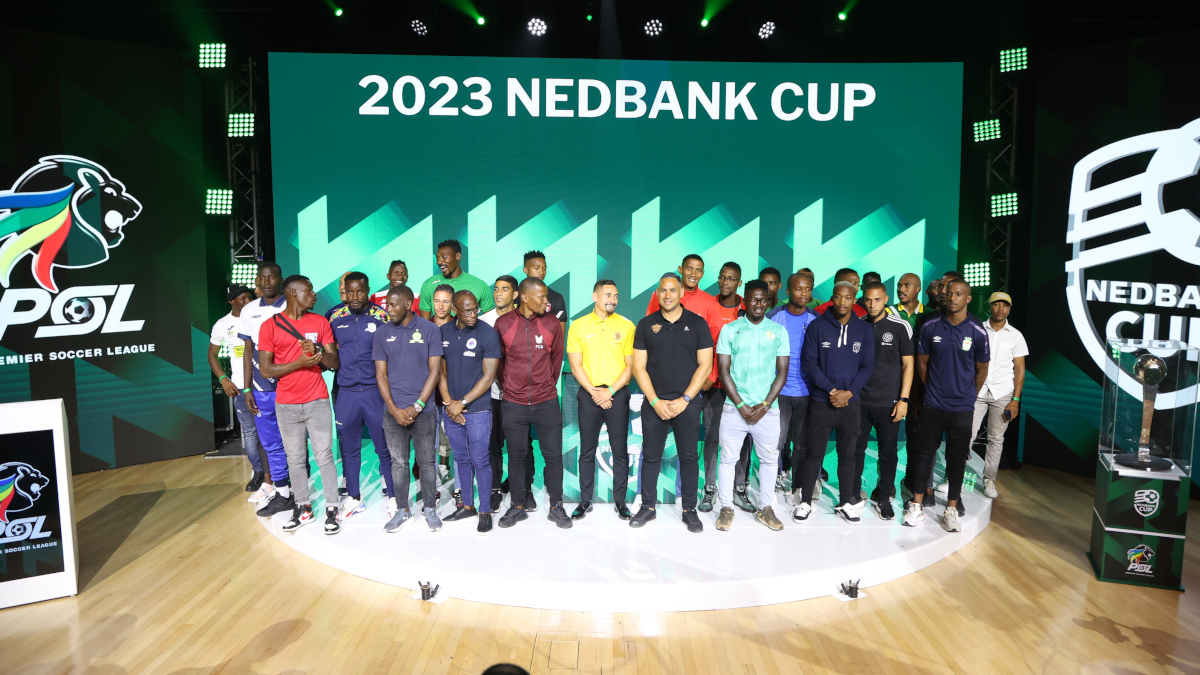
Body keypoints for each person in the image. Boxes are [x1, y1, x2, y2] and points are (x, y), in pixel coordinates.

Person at [257, 275, 342, 533]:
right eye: (309, 290)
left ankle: (332, 509)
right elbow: (265, 369)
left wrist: (317, 351)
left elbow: (334, 362)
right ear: (293, 293)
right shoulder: (270, 326)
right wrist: (299, 363)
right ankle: (303, 508)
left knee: (324, 456)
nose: (314, 294)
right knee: (294, 459)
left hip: (317, 401)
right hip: (286, 405)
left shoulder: (320, 322)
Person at [631, 272, 713, 533]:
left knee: (688, 457)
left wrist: (685, 399)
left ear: (681, 293)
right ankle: (648, 506)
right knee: (650, 455)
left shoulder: (697, 323)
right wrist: (655, 401)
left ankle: (689, 509)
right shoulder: (646, 324)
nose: (668, 295)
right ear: (657, 294)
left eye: (672, 290)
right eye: (663, 291)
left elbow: (705, 365)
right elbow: (638, 368)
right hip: (655, 403)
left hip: (687, 403)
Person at [905, 279, 990, 532]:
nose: (952, 298)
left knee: (957, 458)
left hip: (962, 407)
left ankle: (951, 507)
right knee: (923, 455)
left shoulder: (977, 331)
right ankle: (917, 505)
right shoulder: (930, 325)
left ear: (968, 299)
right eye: (949, 293)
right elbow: (922, 363)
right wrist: (931, 389)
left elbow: (981, 370)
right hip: (933, 403)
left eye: (959, 294)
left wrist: (968, 396)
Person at [494, 277, 570, 529]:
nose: (546, 302)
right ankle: (517, 506)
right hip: (513, 403)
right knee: (516, 456)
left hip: (546, 401)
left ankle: (557, 506)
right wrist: (510, 388)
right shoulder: (503, 324)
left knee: (553, 456)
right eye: (541, 297)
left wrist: (544, 386)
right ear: (524, 297)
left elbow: (556, 361)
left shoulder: (552, 324)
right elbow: (499, 364)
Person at [796, 281, 874, 524]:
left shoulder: (864, 329)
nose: (842, 302)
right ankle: (805, 503)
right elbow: (809, 363)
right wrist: (831, 390)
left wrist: (848, 393)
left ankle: (845, 502)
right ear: (832, 298)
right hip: (822, 402)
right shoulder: (817, 326)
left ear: (854, 300)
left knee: (848, 455)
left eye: (848, 298)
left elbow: (867, 366)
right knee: (814, 454)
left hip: (850, 405)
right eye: (838, 297)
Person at [714, 280, 789, 532]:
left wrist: (765, 405)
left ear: (768, 301)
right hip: (734, 409)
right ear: (744, 300)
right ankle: (726, 507)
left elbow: (782, 372)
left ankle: (766, 508)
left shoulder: (778, 331)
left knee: (769, 460)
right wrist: (741, 405)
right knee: (727, 460)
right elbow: (723, 370)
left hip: (768, 411)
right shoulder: (730, 330)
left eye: (763, 299)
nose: (758, 304)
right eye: (753, 299)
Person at [375, 284, 445, 534]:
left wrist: (418, 405)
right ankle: (402, 510)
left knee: (427, 462)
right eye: (386, 305)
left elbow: (435, 371)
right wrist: (394, 409)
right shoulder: (381, 333)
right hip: (392, 412)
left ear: (408, 304)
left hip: (424, 411)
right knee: (398, 463)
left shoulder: (430, 329)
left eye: (393, 305)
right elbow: (381, 375)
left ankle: (430, 509)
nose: (388, 309)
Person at [566, 279, 635, 520]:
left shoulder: (627, 326)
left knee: (620, 450)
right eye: (607, 295)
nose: (612, 300)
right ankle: (585, 500)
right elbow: (575, 365)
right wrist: (596, 392)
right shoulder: (578, 326)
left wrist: (610, 391)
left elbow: (630, 366)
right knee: (587, 450)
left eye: (615, 296)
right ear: (594, 297)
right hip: (589, 394)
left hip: (617, 394)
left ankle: (620, 501)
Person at [328, 272, 394, 520]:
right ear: (344, 291)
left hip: (375, 392)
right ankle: (354, 498)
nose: (355, 297)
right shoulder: (334, 317)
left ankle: (394, 497)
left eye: (360, 291)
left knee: (384, 447)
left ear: (368, 291)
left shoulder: (381, 316)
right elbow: (330, 353)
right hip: (346, 392)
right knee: (349, 449)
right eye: (350, 291)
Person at [439, 290, 502, 535]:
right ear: (454, 310)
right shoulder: (443, 332)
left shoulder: (487, 333)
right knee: (461, 459)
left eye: (475, 308)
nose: (473, 314)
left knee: (480, 460)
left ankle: (484, 511)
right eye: (467, 310)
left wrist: (462, 402)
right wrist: (449, 403)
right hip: (451, 410)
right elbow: (440, 372)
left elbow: (489, 376)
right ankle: (467, 506)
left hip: (478, 410)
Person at [856, 282, 914, 521]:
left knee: (888, 453)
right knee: (855, 450)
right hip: (860, 402)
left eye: (877, 300)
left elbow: (908, 365)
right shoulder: (858, 325)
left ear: (886, 299)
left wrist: (903, 399)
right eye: (868, 300)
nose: (872, 304)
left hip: (889, 402)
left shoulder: (900, 326)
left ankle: (883, 498)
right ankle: (853, 493)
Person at [960, 291, 1026, 500]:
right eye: (996, 304)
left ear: (1009, 309)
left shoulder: (1016, 335)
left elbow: (1020, 369)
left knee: (996, 439)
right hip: (977, 390)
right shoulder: (977, 329)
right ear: (989, 307)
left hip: (1003, 392)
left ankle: (989, 479)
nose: (1000, 308)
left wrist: (1015, 400)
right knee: (965, 434)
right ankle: (954, 476)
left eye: (1005, 305)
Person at [239, 263, 291, 514]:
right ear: (257, 281)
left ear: (281, 280)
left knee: (293, 439)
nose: (267, 282)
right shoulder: (248, 310)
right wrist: (246, 388)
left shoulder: (291, 304)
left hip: (290, 383)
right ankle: (280, 489)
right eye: (263, 278)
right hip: (261, 386)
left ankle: (296, 486)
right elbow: (248, 351)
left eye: (272, 277)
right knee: (270, 442)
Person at [208, 284, 268, 493]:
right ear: (231, 301)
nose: (248, 301)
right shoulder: (222, 324)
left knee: (270, 430)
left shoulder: (258, 317)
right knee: (250, 432)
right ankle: (258, 471)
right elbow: (211, 354)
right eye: (242, 298)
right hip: (242, 387)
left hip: (265, 383)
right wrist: (223, 379)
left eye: (249, 297)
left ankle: (276, 473)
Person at [698, 262, 745, 512]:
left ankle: (740, 487)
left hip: (740, 386)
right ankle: (710, 487)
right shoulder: (709, 305)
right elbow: (704, 345)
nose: (726, 282)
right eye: (723, 277)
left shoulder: (748, 308)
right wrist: (711, 375)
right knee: (712, 436)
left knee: (741, 438)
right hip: (713, 384)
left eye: (731, 278)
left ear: (739, 282)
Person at [768, 273, 817, 508]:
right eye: (798, 289)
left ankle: (798, 485)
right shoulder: (773, 316)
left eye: (807, 289)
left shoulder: (816, 319)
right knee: (776, 442)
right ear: (788, 291)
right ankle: (773, 480)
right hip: (780, 392)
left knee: (801, 443)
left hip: (806, 393)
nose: (803, 294)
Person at [481, 275, 519, 512]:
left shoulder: (523, 319)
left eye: (504, 289)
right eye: (496, 289)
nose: (498, 293)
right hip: (492, 395)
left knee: (519, 446)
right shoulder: (484, 321)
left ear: (515, 295)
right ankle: (495, 489)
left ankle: (520, 489)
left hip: (517, 397)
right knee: (493, 445)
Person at [418, 239, 495, 319]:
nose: (439, 262)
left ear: (457, 256)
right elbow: (424, 323)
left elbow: (491, 321)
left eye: (444, 257)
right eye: (438, 258)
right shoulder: (429, 284)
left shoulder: (480, 285)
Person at [522, 250, 568, 333]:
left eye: (544, 269)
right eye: (536, 268)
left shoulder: (556, 298)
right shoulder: (514, 296)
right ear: (526, 270)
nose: (541, 272)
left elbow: (560, 336)